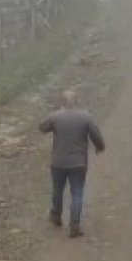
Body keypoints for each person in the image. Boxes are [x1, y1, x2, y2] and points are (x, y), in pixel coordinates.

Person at [38, 89, 105, 238]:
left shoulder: (55, 116)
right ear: (77, 101)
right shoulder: (86, 117)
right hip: (78, 163)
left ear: (62, 102)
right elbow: (96, 134)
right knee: (77, 192)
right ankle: (74, 225)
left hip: (58, 162)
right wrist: (100, 147)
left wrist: (54, 122)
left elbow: (42, 127)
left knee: (57, 190)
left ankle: (56, 216)